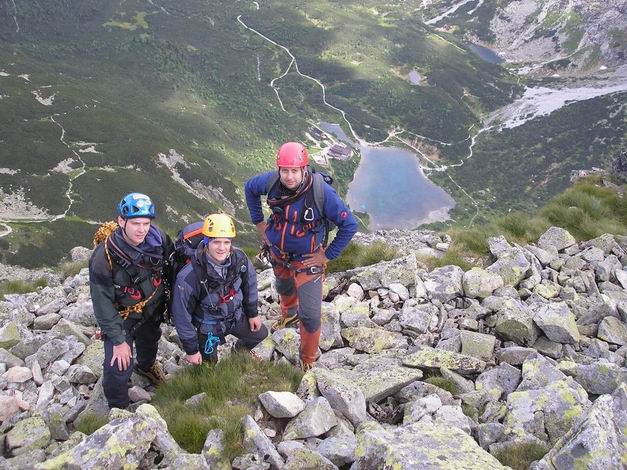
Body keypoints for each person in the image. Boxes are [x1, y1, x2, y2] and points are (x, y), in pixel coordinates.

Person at [244, 142, 357, 370]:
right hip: (278, 252)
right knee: (283, 286)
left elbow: (349, 225)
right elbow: (250, 188)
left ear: (304, 168)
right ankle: (288, 314)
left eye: (294, 170)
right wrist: (259, 224)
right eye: (284, 170)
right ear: (279, 169)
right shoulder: (271, 182)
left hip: (308, 260)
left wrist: (327, 255)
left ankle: (307, 360)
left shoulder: (321, 193)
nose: (289, 176)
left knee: (311, 316)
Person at [89, 192, 173, 409]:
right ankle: (119, 410)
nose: (142, 229)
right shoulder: (103, 257)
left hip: (152, 309)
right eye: (135, 223)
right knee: (118, 366)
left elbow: (171, 268)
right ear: (121, 221)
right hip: (122, 316)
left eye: (146, 223)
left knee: (150, 340)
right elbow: (102, 303)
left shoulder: (159, 240)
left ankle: (146, 367)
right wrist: (118, 341)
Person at [171, 213, 267, 364]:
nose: (222, 248)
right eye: (216, 242)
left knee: (260, 334)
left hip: (235, 317)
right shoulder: (189, 276)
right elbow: (181, 315)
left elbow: (250, 284)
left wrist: (252, 313)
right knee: (207, 367)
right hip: (208, 327)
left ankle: (238, 352)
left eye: (226, 242)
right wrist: (191, 350)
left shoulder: (239, 258)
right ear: (207, 241)